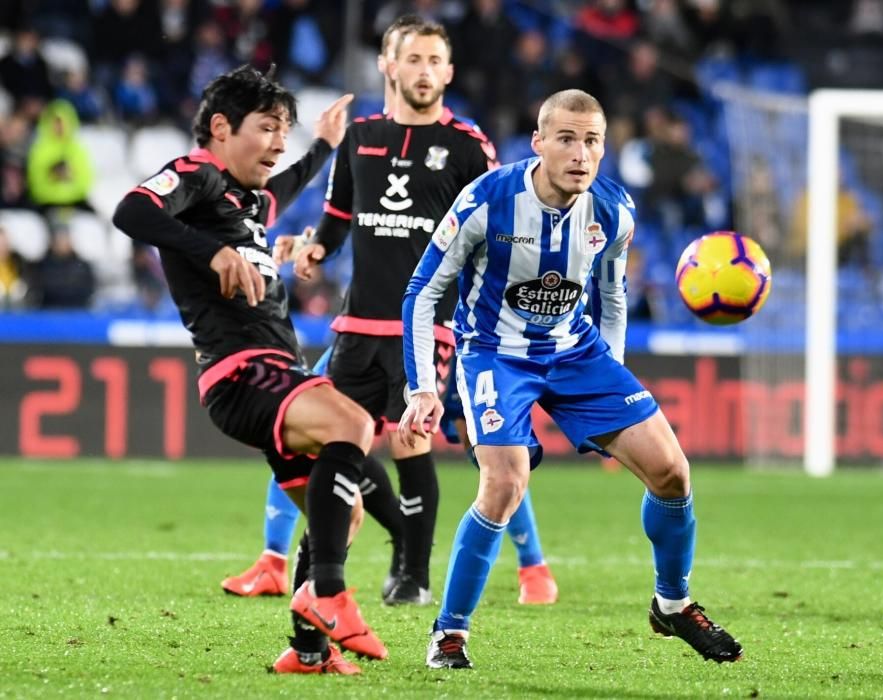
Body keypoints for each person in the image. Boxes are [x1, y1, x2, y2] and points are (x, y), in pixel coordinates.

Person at [399, 88, 743, 669]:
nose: (580, 154)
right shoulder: (487, 200)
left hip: (576, 351)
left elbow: (612, 294)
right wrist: (423, 386)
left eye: (591, 142)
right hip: (494, 353)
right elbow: (423, 291)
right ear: (537, 143)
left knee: (672, 473)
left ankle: (673, 603)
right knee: (505, 485)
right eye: (566, 139)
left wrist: (610, 380)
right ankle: (449, 632)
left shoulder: (613, 211)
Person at [222, 14, 558, 608]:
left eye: (435, 61)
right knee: (310, 437)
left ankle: (427, 572)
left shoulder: (467, 146)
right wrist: (314, 248)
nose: (425, 72)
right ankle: (294, 565)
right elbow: (339, 219)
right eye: (414, 59)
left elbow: (498, 233)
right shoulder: (360, 138)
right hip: (358, 320)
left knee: (431, 443)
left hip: (434, 327)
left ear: (449, 72)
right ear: (387, 64)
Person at [113, 64, 384, 676]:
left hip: (268, 372)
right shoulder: (197, 175)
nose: (278, 142)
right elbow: (131, 210)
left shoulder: (249, 199)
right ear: (220, 127)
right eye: (267, 127)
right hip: (242, 372)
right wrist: (211, 250)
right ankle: (329, 595)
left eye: (284, 130)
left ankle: (308, 652)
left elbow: (289, 184)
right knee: (353, 424)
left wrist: (324, 145)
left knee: (341, 511)